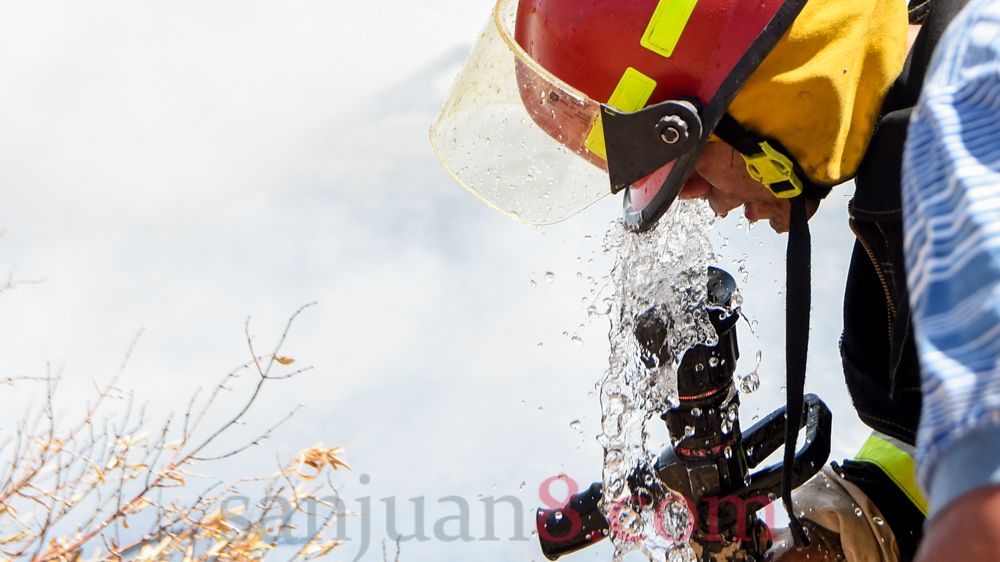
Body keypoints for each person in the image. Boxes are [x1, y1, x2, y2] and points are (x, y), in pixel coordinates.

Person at [430, 0, 1000, 560]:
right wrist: (844, 530)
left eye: (694, 164)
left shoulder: (966, 162)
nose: (710, 202)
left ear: (762, 84)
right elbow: (945, 442)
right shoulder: (944, 103)